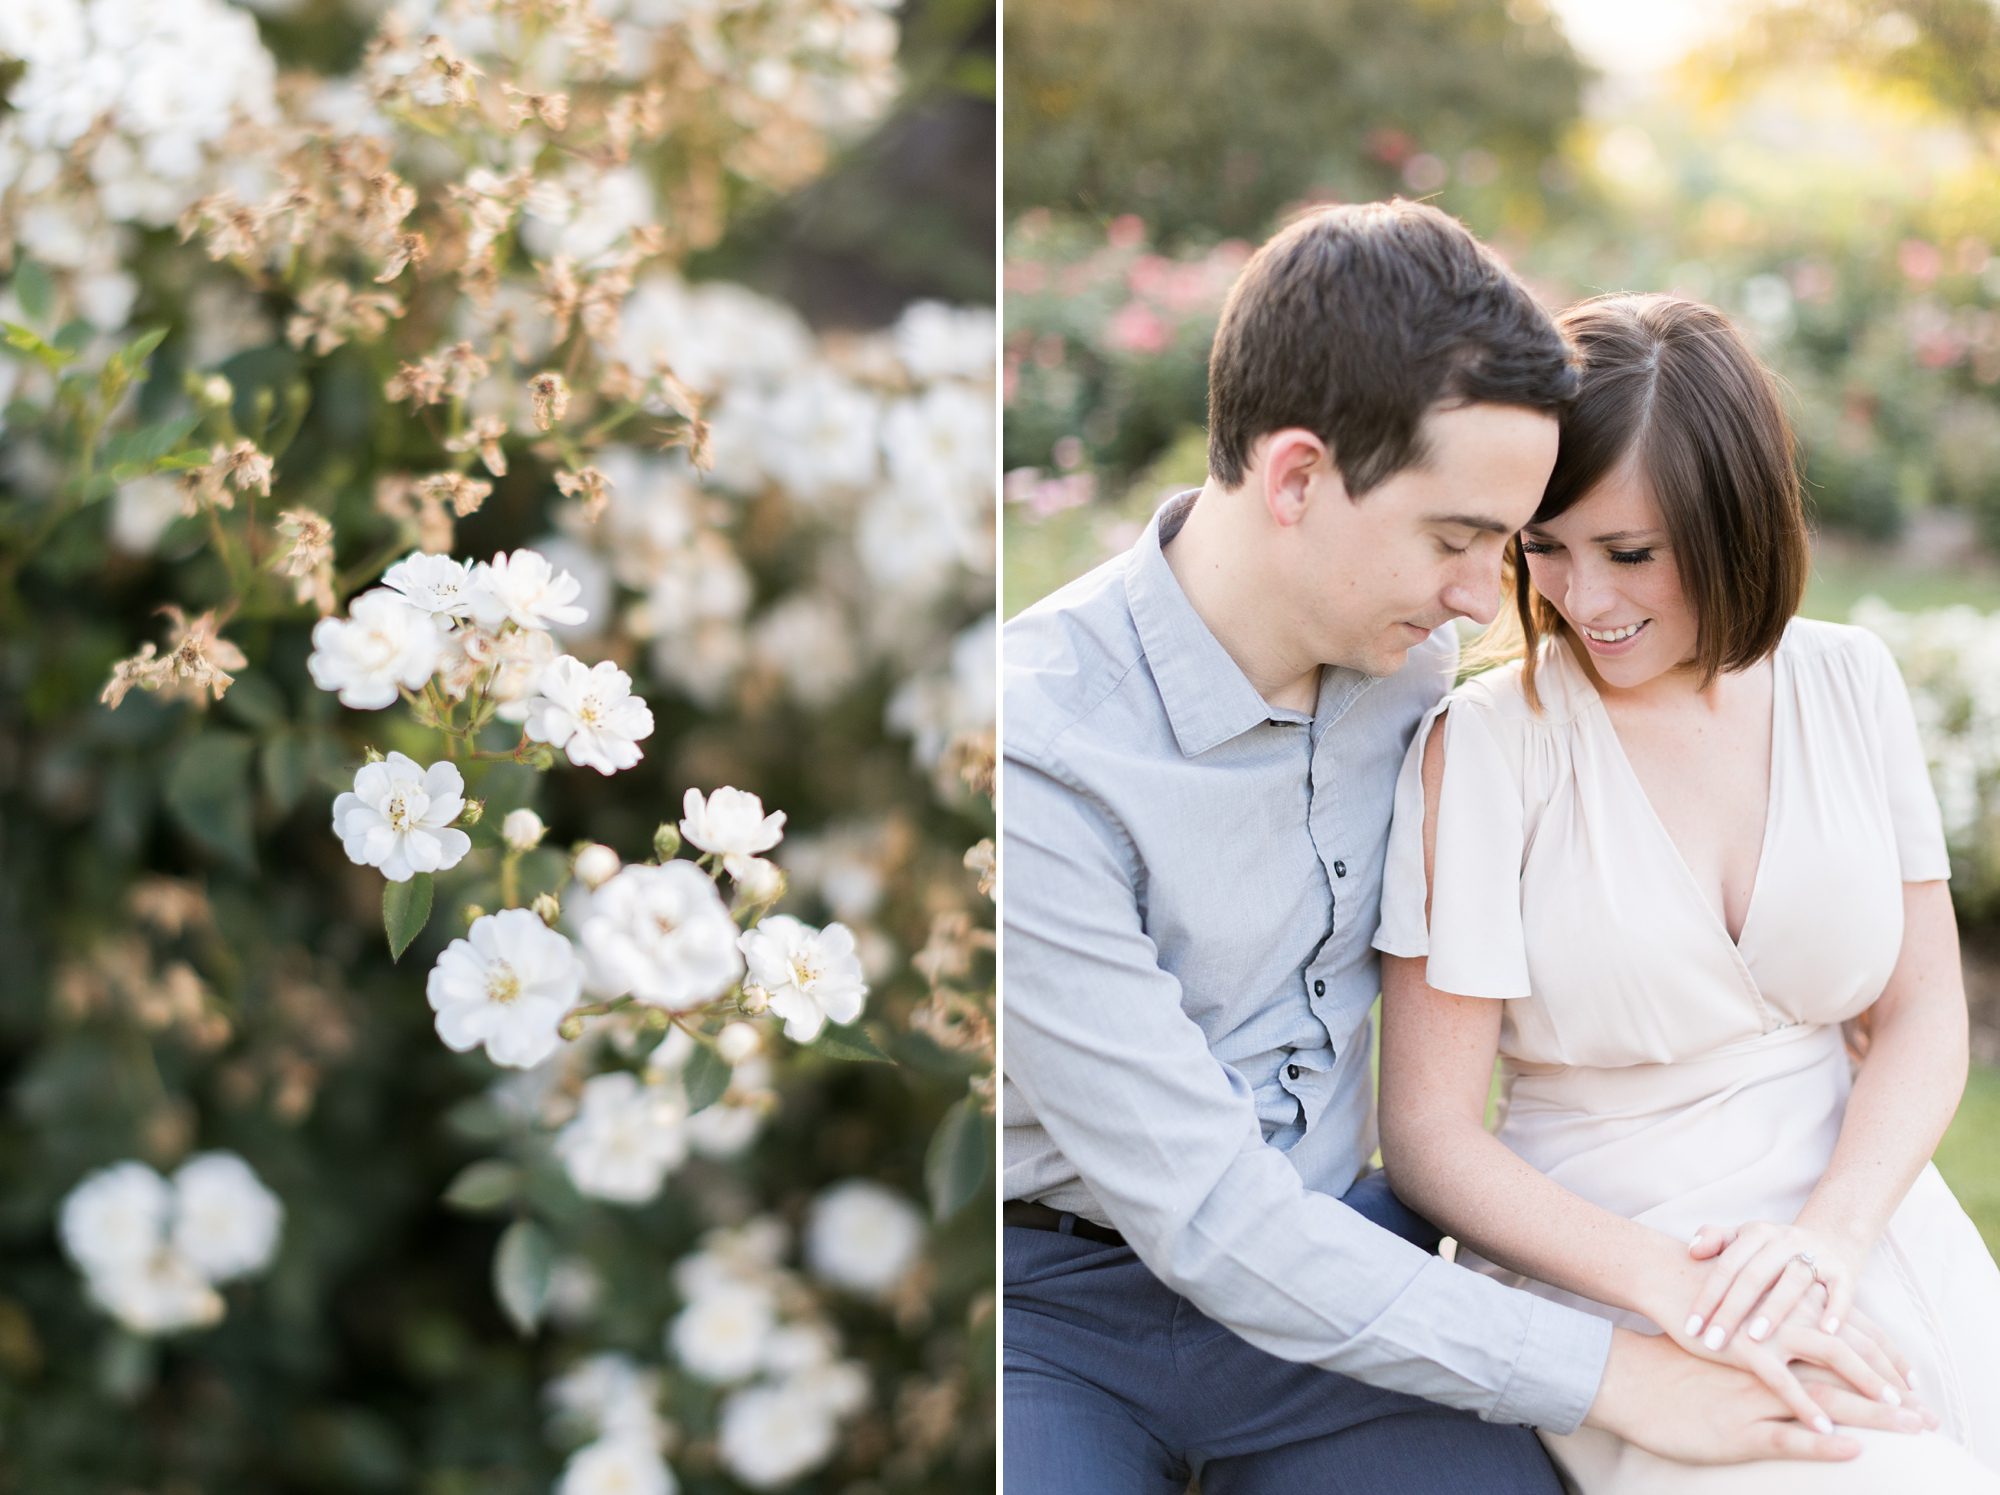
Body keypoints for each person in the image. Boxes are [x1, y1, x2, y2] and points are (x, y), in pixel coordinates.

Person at [1003, 203, 1928, 1495]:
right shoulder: (1035, 759)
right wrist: (1622, 1373)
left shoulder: (1408, 662)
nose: (1489, 597)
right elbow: (1211, 1214)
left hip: (1347, 1268)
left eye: (1506, 541)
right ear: (1295, 479)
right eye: (1458, 538)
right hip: (1054, 1314)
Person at [1374, 291, 2000, 1492]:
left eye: (1628, 554)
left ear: (1731, 521)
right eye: (1542, 546)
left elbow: (1921, 1013)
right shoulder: (1490, 744)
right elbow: (1428, 1135)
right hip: (1621, 1260)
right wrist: (1685, 1290)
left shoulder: (1847, 681)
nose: (1580, 599)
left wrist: (1827, 1239)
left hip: (1861, 1216)